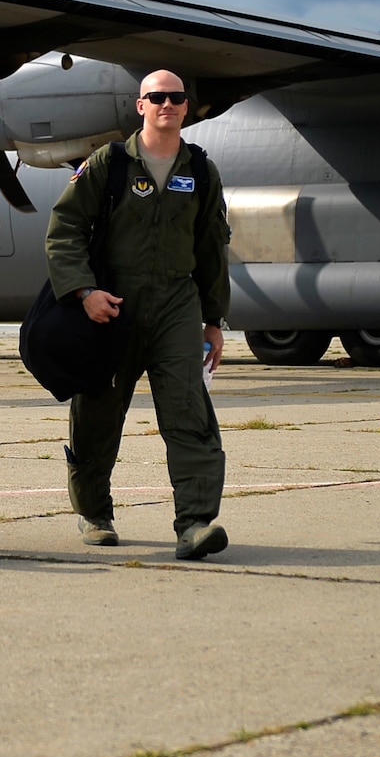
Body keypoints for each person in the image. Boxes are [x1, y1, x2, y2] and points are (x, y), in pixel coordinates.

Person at [44, 69, 232, 560]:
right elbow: (64, 228)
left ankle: (194, 523)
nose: (166, 104)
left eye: (175, 97)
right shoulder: (110, 164)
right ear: (140, 105)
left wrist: (213, 319)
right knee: (98, 415)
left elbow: (212, 246)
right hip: (114, 307)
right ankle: (94, 512)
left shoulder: (202, 171)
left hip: (176, 306)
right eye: (157, 97)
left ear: (186, 107)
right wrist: (85, 291)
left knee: (188, 412)